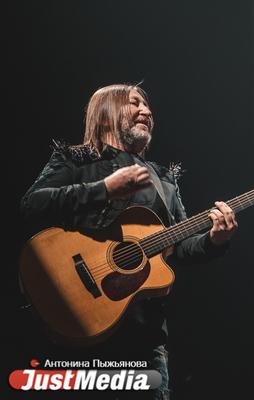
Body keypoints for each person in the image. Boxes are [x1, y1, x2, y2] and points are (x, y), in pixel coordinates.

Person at [19, 83, 238, 399]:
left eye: (148, 107)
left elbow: (176, 248)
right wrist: (104, 188)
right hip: (72, 317)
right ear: (105, 113)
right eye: (134, 103)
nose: (146, 112)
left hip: (143, 333)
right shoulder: (77, 159)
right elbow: (31, 206)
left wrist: (215, 240)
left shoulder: (162, 178)